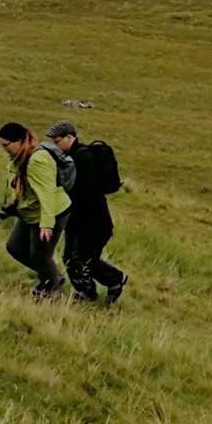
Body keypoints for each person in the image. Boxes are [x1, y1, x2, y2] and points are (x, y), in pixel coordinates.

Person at [46, 120, 128, 304]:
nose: (55, 145)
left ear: (70, 137)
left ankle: (115, 279)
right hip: (76, 218)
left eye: (57, 141)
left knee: (85, 259)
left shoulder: (83, 157)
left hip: (92, 219)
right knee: (70, 258)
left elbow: (89, 192)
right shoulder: (69, 157)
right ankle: (86, 292)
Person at [0, 122, 71, 298]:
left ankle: (51, 291)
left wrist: (46, 225)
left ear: (19, 141)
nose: (4, 149)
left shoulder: (37, 160)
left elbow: (47, 194)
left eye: (6, 145)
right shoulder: (20, 157)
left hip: (51, 212)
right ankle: (51, 277)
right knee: (14, 247)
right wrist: (14, 206)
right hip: (30, 212)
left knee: (40, 257)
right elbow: (27, 189)